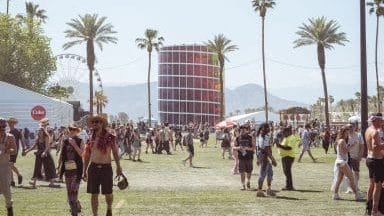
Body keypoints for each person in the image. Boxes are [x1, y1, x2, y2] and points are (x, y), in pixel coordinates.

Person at [83, 115, 123, 216]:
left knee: (108, 193)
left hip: (106, 168)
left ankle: (109, 209)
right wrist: (84, 170)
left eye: (98, 122)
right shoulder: (90, 138)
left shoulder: (110, 137)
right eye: (94, 122)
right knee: (94, 194)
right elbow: (87, 155)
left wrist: (118, 166)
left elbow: (114, 152)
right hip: (93, 168)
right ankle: (95, 214)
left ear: (102, 124)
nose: (95, 123)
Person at [331, 126, 363, 201]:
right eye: (347, 132)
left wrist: (349, 146)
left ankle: (335, 194)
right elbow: (344, 152)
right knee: (351, 177)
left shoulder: (339, 140)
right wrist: (352, 146)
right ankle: (357, 194)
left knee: (339, 179)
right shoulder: (342, 141)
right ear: (343, 132)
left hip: (340, 162)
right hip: (342, 162)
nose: (348, 134)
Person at [23, 118, 57, 188]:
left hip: (46, 154)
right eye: (39, 131)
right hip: (39, 154)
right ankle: (34, 183)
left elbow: (47, 147)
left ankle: (52, 183)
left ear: (43, 131)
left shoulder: (46, 137)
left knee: (50, 167)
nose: (39, 132)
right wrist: (27, 151)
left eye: (40, 131)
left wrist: (44, 152)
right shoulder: (38, 138)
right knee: (37, 168)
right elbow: (33, 147)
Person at [59, 125, 84, 216]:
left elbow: (81, 154)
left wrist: (74, 144)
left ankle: (74, 212)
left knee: (74, 190)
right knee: (69, 192)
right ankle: (75, 204)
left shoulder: (80, 141)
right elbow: (62, 156)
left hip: (77, 170)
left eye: (74, 129)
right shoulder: (65, 141)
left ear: (77, 130)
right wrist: (60, 171)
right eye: (70, 129)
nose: (72, 131)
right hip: (67, 170)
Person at [365, 113, 384, 216]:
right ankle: (374, 211)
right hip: (376, 161)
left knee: (372, 184)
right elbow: (375, 148)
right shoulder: (375, 132)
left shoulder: (368, 130)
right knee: (378, 186)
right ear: (376, 121)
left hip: (370, 159)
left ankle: (369, 207)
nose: (382, 122)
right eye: (380, 120)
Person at [0, 118, 17, 216]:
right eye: (0, 127)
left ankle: (9, 207)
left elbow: (14, 150)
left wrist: (6, 150)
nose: (2, 129)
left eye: (4, 127)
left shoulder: (10, 137)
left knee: (6, 188)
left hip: (4, 166)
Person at [256, 123, 277, 197]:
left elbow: (257, 148)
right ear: (263, 128)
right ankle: (259, 191)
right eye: (267, 127)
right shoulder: (265, 137)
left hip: (263, 156)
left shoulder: (259, 136)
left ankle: (268, 189)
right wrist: (273, 159)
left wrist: (258, 159)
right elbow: (266, 149)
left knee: (269, 173)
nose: (269, 128)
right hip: (265, 157)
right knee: (263, 174)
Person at [233, 124, 255, 191]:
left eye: (244, 129)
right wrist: (238, 147)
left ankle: (248, 181)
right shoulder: (237, 138)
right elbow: (233, 147)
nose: (243, 130)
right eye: (241, 129)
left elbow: (254, 148)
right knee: (242, 172)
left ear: (247, 130)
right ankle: (243, 185)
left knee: (249, 171)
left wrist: (247, 148)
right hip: (241, 157)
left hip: (249, 157)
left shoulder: (250, 138)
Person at [277, 126, 299, 191]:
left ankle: (289, 186)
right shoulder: (287, 137)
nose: (283, 134)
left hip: (288, 156)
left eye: (284, 132)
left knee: (287, 171)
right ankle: (288, 185)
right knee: (286, 171)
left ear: (288, 132)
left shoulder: (291, 138)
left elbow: (289, 148)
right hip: (285, 156)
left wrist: (280, 146)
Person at [345, 122, 364, 194]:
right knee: (347, 173)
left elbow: (362, 146)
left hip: (356, 157)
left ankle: (356, 186)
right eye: (349, 127)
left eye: (352, 126)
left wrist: (360, 155)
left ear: (355, 127)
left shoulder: (359, 135)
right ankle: (349, 187)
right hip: (347, 157)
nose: (350, 128)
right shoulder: (346, 136)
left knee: (356, 172)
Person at [7, 117, 25, 187]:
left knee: (10, 165)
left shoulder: (17, 131)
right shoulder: (7, 132)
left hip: (15, 150)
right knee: (9, 166)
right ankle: (12, 181)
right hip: (8, 150)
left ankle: (19, 175)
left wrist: (24, 149)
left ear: (14, 123)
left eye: (11, 122)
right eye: (9, 122)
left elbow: (22, 141)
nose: (9, 123)